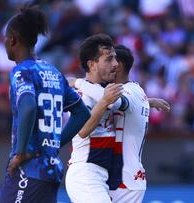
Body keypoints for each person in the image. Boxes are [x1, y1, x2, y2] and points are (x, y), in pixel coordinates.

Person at [0, 5, 92, 203]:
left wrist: (21, 152)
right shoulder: (54, 73)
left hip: (29, 169)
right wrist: (55, 144)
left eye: (6, 39)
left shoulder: (22, 71)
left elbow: (28, 106)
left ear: (12, 40)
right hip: (51, 169)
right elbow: (82, 113)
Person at [70, 44, 170, 203]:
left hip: (125, 178)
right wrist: (148, 102)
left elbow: (112, 101)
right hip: (124, 177)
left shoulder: (128, 92)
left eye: (110, 61)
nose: (108, 66)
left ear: (119, 66)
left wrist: (77, 82)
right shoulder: (135, 92)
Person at [65, 34, 130, 203]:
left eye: (115, 58)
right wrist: (103, 102)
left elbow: (120, 103)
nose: (116, 64)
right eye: (109, 59)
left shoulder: (99, 90)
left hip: (102, 174)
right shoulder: (80, 96)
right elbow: (82, 131)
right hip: (85, 173)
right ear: (92, 65)